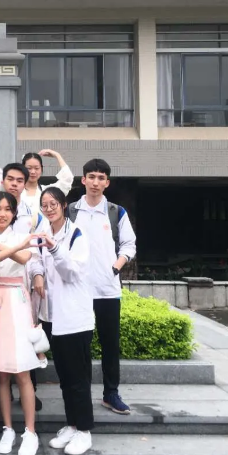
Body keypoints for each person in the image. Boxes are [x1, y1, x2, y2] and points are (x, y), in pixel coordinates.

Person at [0, 191, 48, 455]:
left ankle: (30, 431)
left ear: (14, 213)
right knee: (1, 373)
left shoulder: (20, 237)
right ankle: (7, 428)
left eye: (8, 209)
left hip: (17, 303)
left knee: (22, 371)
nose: (2, 214)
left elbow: (23, 259)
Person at [69, 159, 136, 415]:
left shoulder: (116, 212)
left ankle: (111, 393)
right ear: (83, 180)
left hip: (108, 289)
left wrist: (116, 267)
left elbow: (129, 244)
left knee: (110, 344)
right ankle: (82, 394)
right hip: (78, 289)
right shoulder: (71, 211)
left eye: (100, 178)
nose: (95, 182)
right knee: (80, 346)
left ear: (107, 183)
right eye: (91, 177)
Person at [33, 187, 95, 455]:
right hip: (53, 317)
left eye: (53, 204)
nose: (49, 209)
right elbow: (36, 261)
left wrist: (55, 248)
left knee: (78, 378)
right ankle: (72, 424)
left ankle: (84, 431)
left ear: (63, 205)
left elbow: (72, 273)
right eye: (44, 205)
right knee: (65, 378)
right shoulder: (44, 233)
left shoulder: (76, 234)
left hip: (74, 318)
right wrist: (37, 273)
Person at [21, 149, 74, 219]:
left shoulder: (47, 191)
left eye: (36, 168)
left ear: (41, 169)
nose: (33, 172)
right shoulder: (15, 190)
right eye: (29, 168)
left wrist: (57, 155)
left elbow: (67, 179)